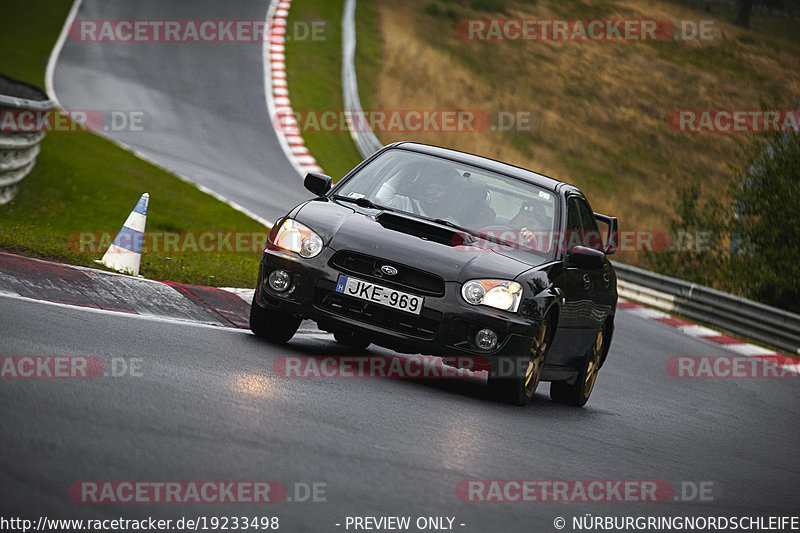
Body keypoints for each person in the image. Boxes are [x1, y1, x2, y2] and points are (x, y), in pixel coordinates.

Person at [375, 162, 460, 219]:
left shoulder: (451, 224)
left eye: (440, 190)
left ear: (448, 194)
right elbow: (381, 198)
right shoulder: (407, 204)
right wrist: (407, 170)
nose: (433, 193)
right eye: (430, 188)